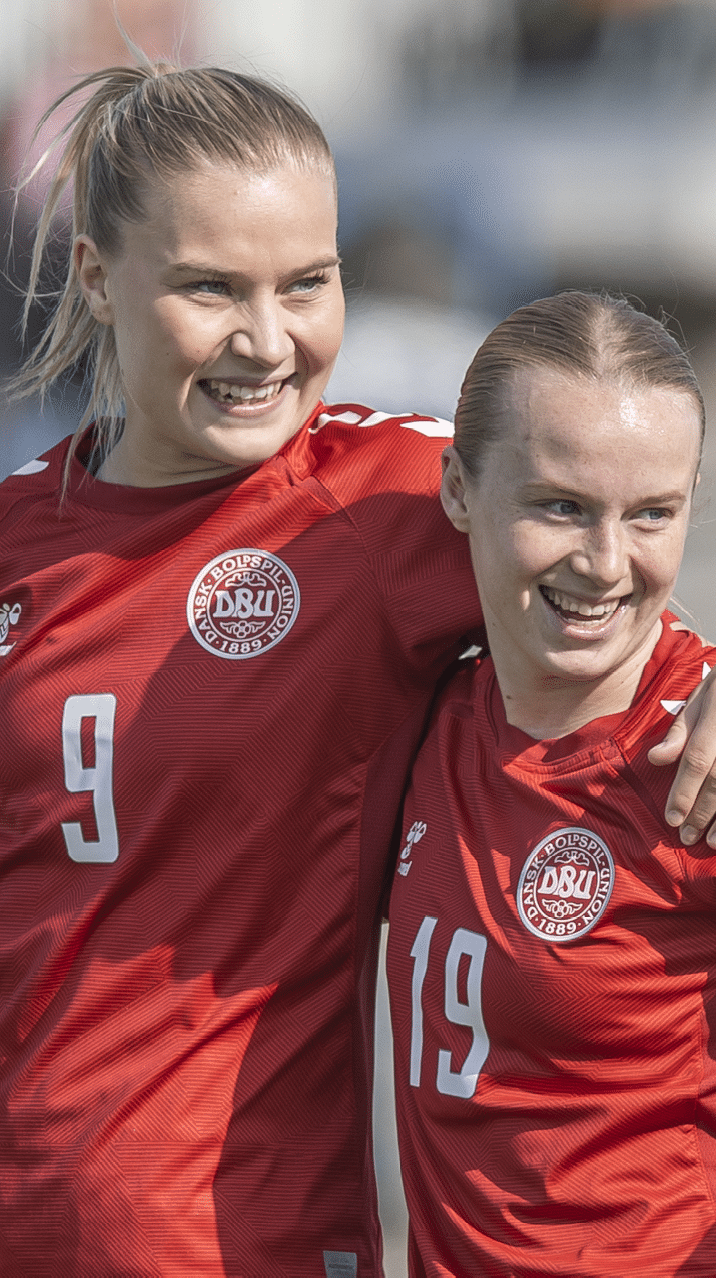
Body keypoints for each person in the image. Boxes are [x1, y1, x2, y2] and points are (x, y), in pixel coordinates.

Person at [0, 59, 714, 1279]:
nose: (267, 338)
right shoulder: (15, 537)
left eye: (307, 282)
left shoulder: (384, 499)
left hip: (253, 1240)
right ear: (96, 279)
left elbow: (602, 549)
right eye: (209, 286)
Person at [387, 290, 716, 1278]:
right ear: (455, 490)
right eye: (560, 505)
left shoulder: (694, 768)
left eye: (651, 512)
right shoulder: (419, 705)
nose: (605, 562)